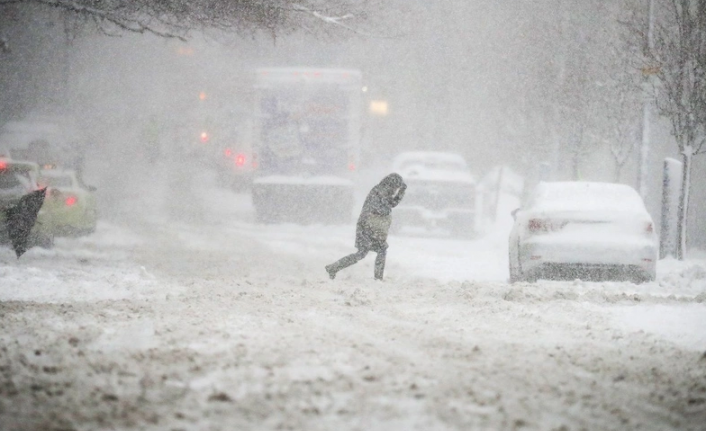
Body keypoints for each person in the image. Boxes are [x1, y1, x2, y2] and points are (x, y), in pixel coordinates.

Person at [326, 173, 407, 281]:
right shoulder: (379, 191)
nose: (395, 190)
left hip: (372, 227)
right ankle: (334, 268)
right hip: (367, 227)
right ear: (392, 184)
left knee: (372, 251)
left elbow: (391, 204)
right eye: (396, 187)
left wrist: (401, 193)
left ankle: (334, 267)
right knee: (365, 252)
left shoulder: (382, 191)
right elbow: (384, 207)